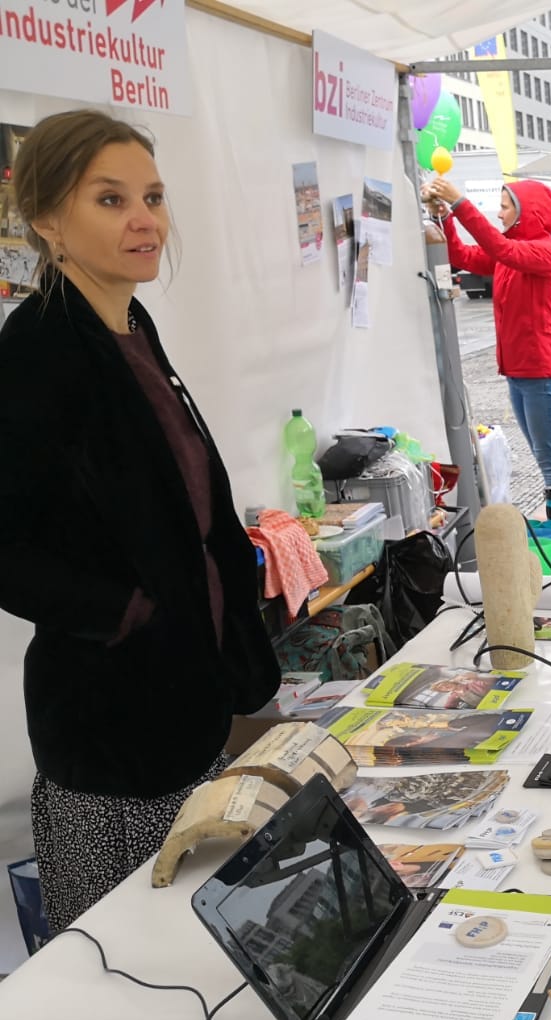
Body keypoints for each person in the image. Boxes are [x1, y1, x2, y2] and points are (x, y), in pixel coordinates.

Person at [0, 110, 279, 934]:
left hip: (185, 710)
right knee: (124, 964)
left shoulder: (129, 325)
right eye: (111, 199)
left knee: (205, 949)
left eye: (152, 197)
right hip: (108, 735)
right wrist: (131, 616)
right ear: (48, 219)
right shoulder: (36, 352)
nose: (144, 219)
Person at [424, 176, 551, 490]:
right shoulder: (512, 251)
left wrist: (460, 203)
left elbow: (499, 247)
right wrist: (444, 217)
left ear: (526, 211)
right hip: (519, 372)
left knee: (549, 457)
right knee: (543, 455)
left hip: (541, 372)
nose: (499, 214)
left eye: (504, 207)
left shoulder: (545, 253)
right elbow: (460, 255)